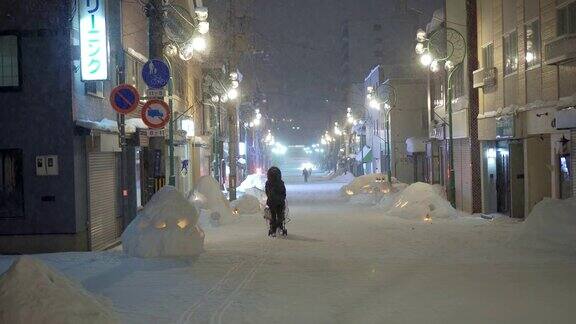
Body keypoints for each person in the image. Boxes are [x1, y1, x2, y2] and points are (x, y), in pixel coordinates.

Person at [266, 166, 287, 236]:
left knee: (273, 216)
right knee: (280, 215)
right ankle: (280, 227)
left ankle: (273, 229)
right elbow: (284, 192)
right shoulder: (280, 183)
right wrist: (282, 198)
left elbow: (267, 192)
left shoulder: (268, 183)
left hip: (271, 202)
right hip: (280, 202)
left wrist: (270, 197)